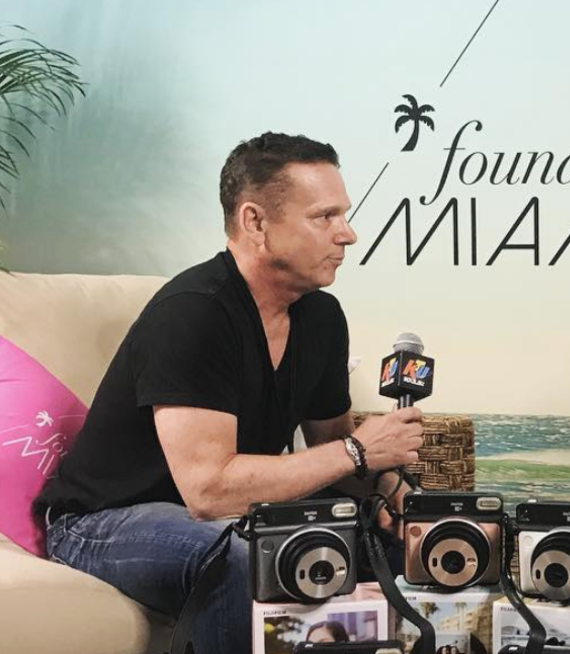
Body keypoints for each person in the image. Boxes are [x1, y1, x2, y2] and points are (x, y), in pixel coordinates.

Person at [35, 132, 425, 654]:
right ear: (255, 223)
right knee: (235, 555)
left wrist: (390, 489)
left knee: (399, 540)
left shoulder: (321, 316)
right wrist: (356, 450)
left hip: (230, 515)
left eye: (344, 215)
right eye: (324, 217)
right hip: (103, 523)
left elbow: (335, 454)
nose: (348, 234)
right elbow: (209, 491)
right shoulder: (192, 313)